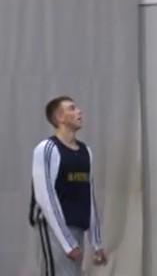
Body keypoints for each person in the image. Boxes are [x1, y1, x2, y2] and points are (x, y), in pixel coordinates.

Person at [30, 96, 108, 276]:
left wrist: (96, 242)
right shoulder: (47, 149)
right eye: (72, 108)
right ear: (59, 118)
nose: (79, 111)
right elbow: (45, 197)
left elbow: (88, 197)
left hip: (77, 227)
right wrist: (67, 242)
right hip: (53, 229)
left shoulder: (85, 152)